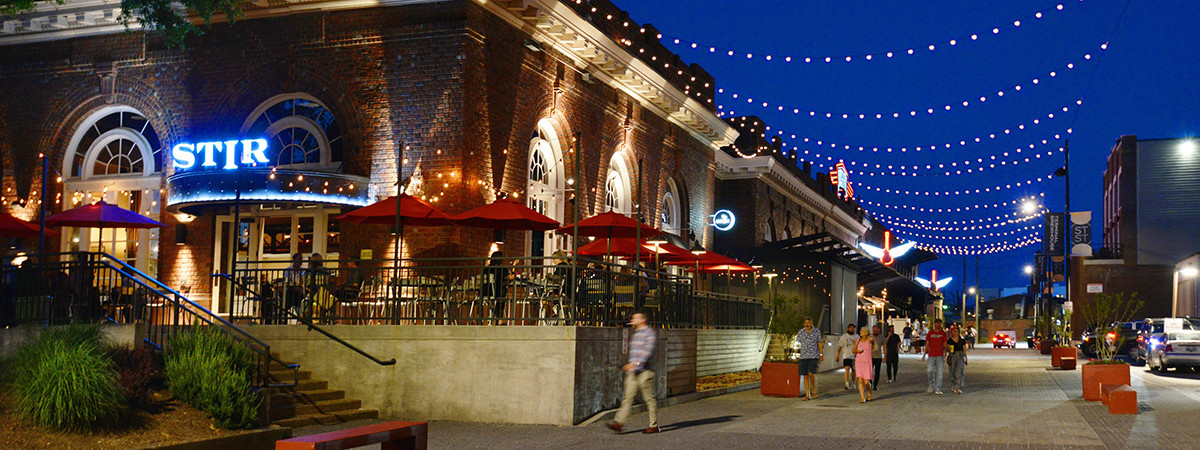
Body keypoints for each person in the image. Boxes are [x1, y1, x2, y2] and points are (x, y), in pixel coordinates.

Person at [608, 311, 659, 434]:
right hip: (633, 372)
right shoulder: (636, 333)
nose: (632, 320)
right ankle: (619, 423)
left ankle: (653, 425)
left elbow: (647, 352)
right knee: (627, 398)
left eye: (635, 318)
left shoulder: (649, 333)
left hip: (644, 372)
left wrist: (635, 364)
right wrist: (632, 366)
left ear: (642, 320)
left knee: (649, 400)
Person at [792, 316, 824, 400]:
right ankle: (807, 394)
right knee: (805, 375)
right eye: (805, 323)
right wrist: (795, 354)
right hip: (803, 356)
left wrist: (821, 354)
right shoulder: (801, 332)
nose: (807, 324)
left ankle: (814, 392)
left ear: (811, 323)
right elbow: (797, 343)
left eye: (808, 323)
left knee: (811, 373)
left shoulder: (816, 331)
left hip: (813, 356)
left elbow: (819, 343)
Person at [922, 318, 949, 395]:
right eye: (937, 323)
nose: (938, 325)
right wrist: (924, 354)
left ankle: (938, 388)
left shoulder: (943, 334)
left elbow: (945, 345)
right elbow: (927, 344)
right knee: (929, 371)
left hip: (940, 355)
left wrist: (945, 355)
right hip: (931, 355)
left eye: (939, 323)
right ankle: (931, 385)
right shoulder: (930, 333)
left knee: (940, 373)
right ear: (934, 324)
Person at [483, 251, 509, 323]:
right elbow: (510, 277)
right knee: (502, 292)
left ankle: (490, 314)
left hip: (485, 292)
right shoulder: (502, 270)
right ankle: (499, 317)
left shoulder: (486, 269)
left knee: (501, 292)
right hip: (496, 292)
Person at [852, 327, 875, 403]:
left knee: (866, 382)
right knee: (860, 380)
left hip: (867, 362)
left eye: (862, 331)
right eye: (860, 330)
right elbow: (853, 350)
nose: (860, 332)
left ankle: (869, 391)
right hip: (859, 362)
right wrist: (857, 351)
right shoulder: (858, 340)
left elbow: (873, 346)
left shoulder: (869, 340)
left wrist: (872, 340)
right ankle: (862, 397)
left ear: (866, 333)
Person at [947, 324, 969, 394]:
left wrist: (966, 358)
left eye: (957, 331)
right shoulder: (950, 340)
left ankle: (959, 387)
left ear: (959, 332)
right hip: (952, 355)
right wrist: (948, 348)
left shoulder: (962, 341)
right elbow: (947, 349)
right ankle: (953, 386)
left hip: (960, 355)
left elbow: (964, 349)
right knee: (952, 372)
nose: (955, 333)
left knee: (959, 372)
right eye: (954, 331)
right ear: (952, 332)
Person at [836, 324, 857, 390]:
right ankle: (846, 383)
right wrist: (837, 355)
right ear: (848, 328)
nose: (852, 329)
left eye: (853, 328)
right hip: (846, 355)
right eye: (850, 328)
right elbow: (840, 347)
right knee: (847, 368)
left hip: (854, 356)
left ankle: (853, 383)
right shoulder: (844, 337)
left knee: (854, 370)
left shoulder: (857, 336)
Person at [870, 324, 884, 390]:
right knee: (870, 371)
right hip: (870, 357)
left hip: (878, 357)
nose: (875, 331)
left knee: (877, 372)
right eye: (874, 330)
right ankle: (870, 383)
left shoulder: (881, 337)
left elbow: (884, 346)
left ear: (879, 330)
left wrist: (885, 357)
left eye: (877, 330)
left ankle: (875, 385)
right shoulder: (869, 337)